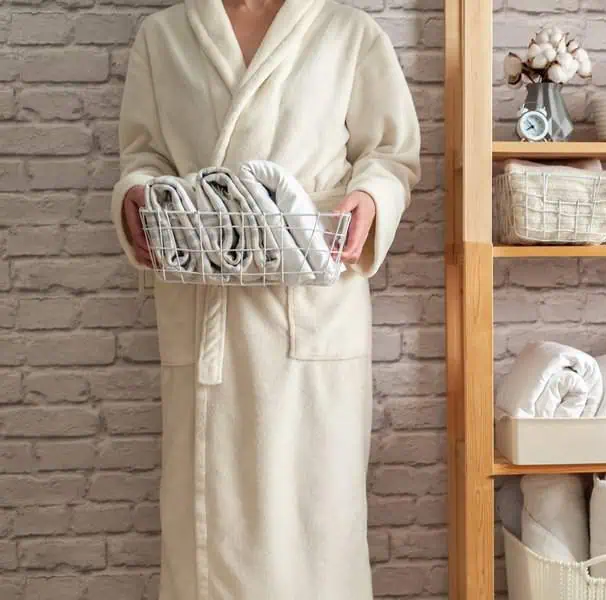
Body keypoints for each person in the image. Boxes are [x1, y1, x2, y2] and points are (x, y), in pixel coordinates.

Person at [111, 0, 421, 597]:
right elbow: (143, 155)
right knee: (211, 542)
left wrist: (373, 199)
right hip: (209, 318)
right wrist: (136, 197)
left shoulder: (347, 31)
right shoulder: (165, 36)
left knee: (316, 531)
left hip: (311, 314)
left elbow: (392, 155)